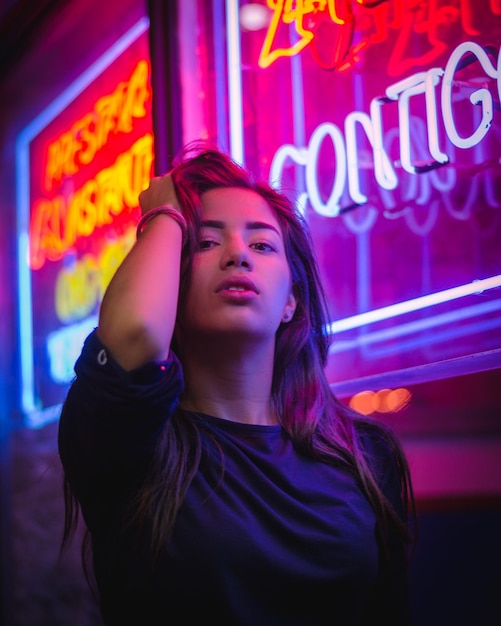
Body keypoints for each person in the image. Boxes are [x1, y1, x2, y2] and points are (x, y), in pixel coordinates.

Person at [58, 141, 416, 625]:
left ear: (291, 301)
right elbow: (136, 333)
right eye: (205, 243)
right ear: (171, 285)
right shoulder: (130, 445)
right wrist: (164, 212)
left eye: (263, 244)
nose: (237, 256)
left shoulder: (364, 453)